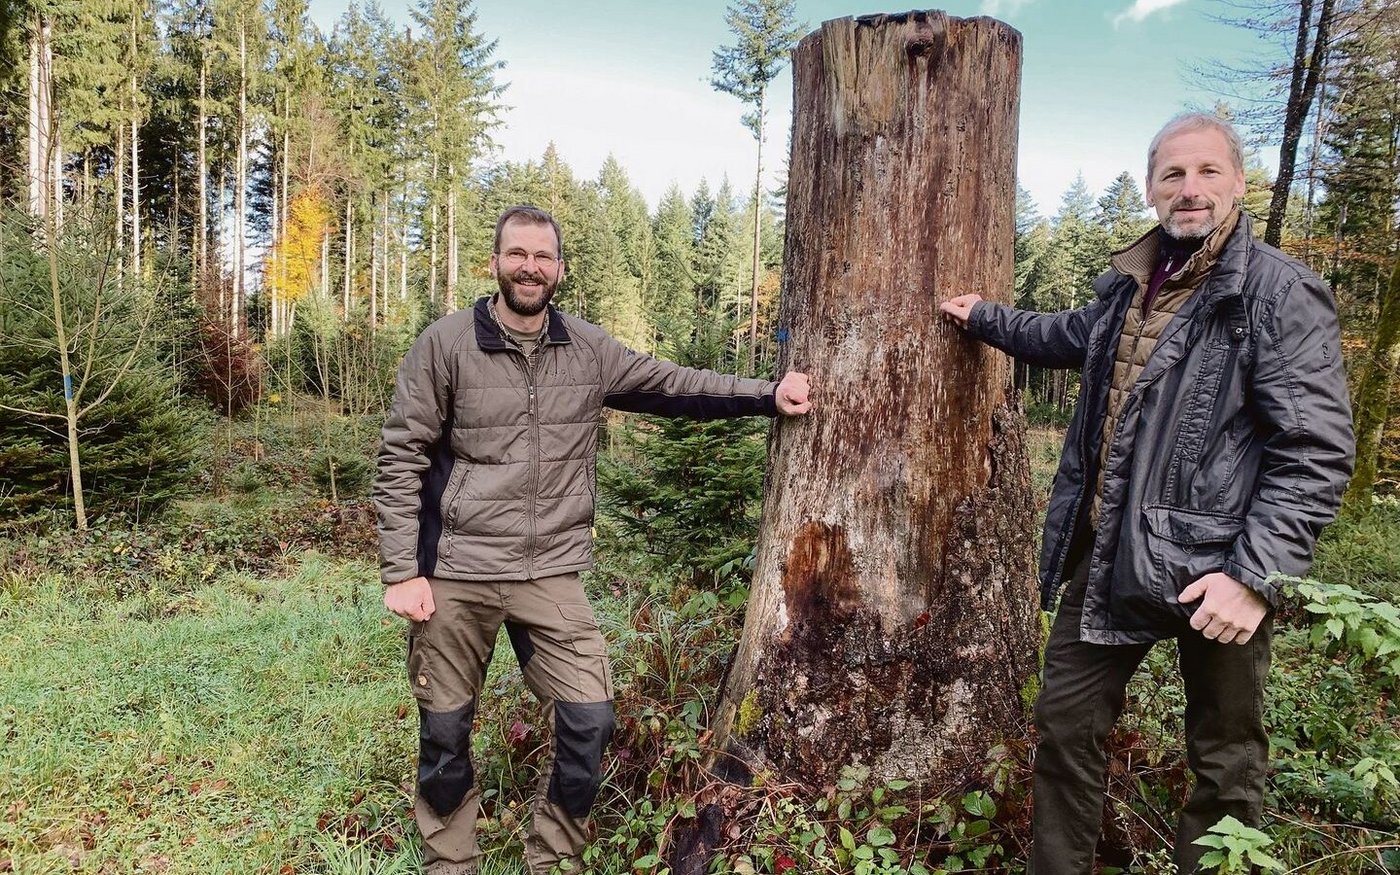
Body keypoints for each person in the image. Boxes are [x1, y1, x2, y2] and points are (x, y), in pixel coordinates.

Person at [940, 113, 1354, 872]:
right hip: (1110, 556)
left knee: (1226, 760)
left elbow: (1315, 452)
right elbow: (1066, 335)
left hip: (1219, 569)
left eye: (1206, 172)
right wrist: (984, 318)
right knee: (1065, 729)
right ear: (1151, 186)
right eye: (1173, 174)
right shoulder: (1131, 285)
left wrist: (1253, 577)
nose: (1189, 189)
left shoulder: (1279, 293)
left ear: (1237, 182)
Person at [372, 204, 812, 875]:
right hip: (456, 568)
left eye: (542, 256)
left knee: (589, 717)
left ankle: (552, 856)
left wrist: (765, 392)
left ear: (560, 269)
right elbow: (401, 454)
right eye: (517, 254)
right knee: (444, 729)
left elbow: (674, 384)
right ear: (494, 264)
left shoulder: (587, 349)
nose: (530, 267)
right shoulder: (446, 344)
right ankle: (449, 860)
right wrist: (402, 569)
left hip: (550, 571)